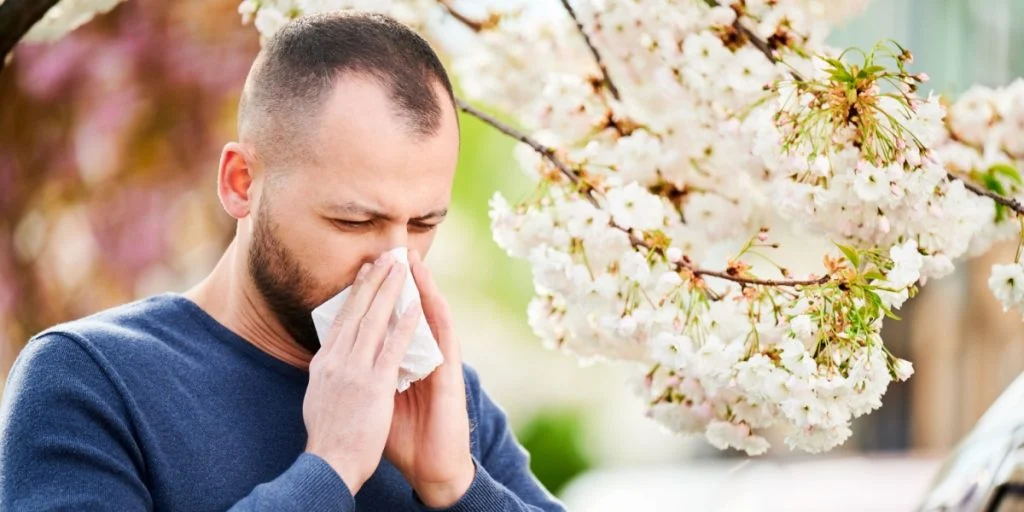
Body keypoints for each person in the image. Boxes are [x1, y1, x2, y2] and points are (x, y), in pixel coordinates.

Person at [0, 11, 565, 512]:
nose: (395, 262)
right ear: (241, 183)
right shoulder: (90, 381)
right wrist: (330, 470)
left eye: (422, 225)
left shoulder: (441, 396)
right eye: (354, 221)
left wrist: (459, 487)